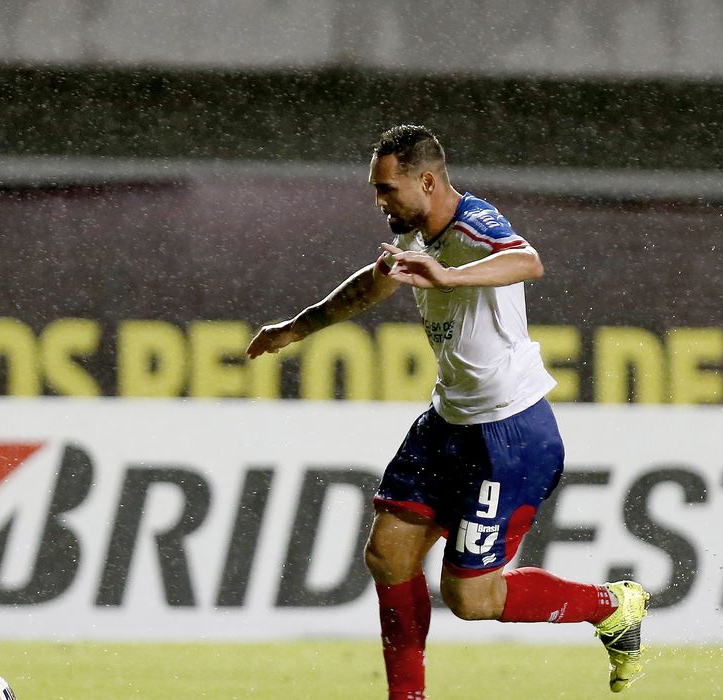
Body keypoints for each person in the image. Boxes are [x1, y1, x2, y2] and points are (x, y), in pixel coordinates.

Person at [246, 124, 649, 698]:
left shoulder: (472, 223)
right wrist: (294, 328)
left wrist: (450, 275)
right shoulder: (415, 236)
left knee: (471, 599)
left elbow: (527, 261)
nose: (379, 201)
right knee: (388, 554)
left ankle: (611, 606)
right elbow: (371, 285)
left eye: (387, 189)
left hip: (509, 434)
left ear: (427, 181)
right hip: (448, 421)